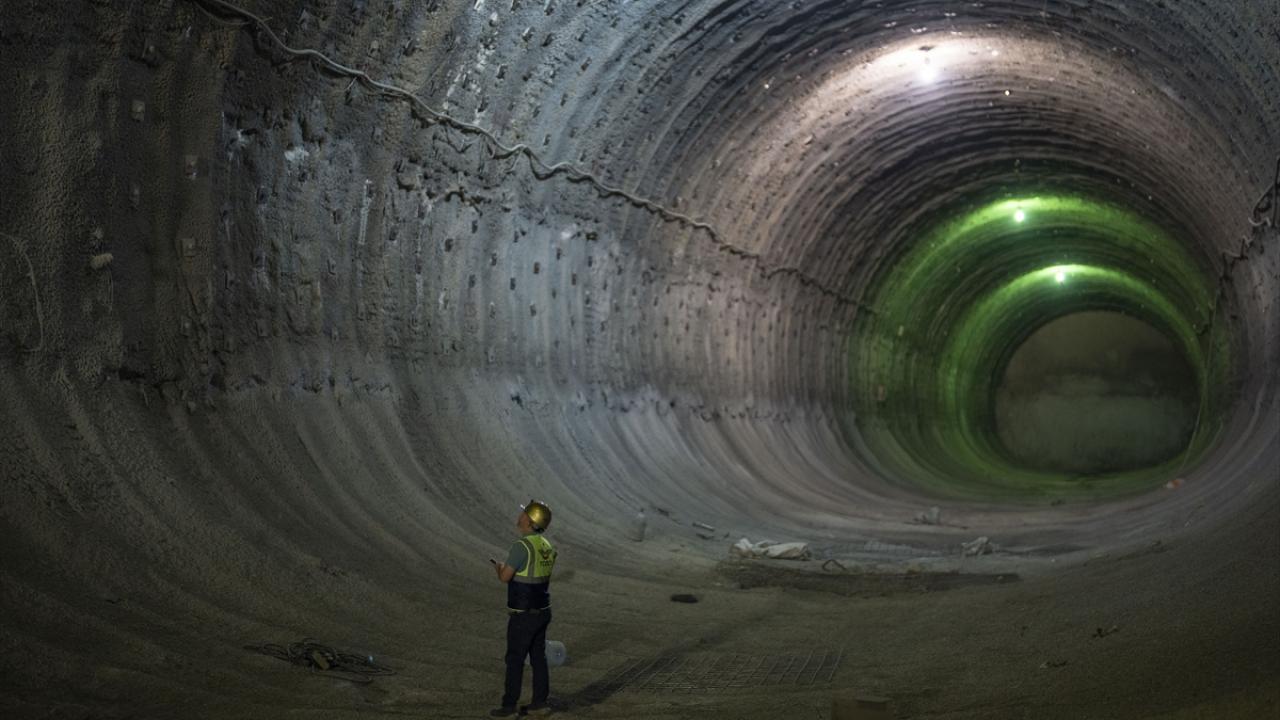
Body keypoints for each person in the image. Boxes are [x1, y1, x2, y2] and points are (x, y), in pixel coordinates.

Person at [490, 500, 558, 717]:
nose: (520, 516)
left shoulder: (522, 546)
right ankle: (540, 703)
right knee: (538, 657)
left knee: (515, 659)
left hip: (524, 614)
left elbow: (505, 578)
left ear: (529, 521)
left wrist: (499, 568)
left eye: (523, 513)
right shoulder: (547, 546)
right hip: (543, 610)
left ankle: (509, 706)